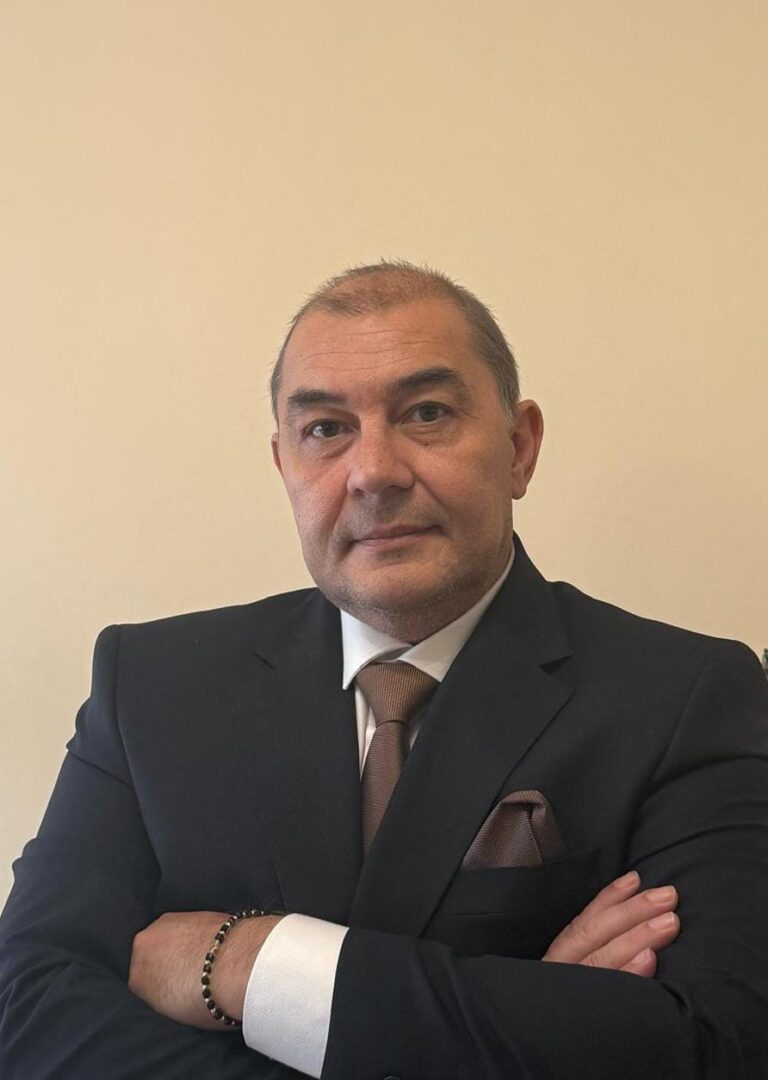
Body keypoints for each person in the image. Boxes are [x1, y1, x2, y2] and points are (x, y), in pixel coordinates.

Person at [1, 261, 767, 1079]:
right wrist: (527, 1018)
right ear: (284, 467)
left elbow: (715, 1046)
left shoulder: (689, 696)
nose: (373, 471)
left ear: (519, 448)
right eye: (325, 429)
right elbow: (27, 1010)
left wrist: (254, 963)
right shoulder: (151, 687)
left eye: (427, 414)